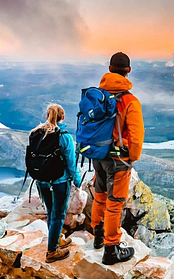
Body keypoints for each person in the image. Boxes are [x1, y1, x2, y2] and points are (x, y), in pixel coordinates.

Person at [90, 52, 145, 265]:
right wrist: (132, 157)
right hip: (118, 160)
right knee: (114, 204)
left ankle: (97, 236)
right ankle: (111, 250)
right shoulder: (130, 101)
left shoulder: (98, 96)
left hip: (98, 155)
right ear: (128, 71)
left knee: (100, 195)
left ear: (110, 68)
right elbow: (136, 135)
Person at [30, 104, 82, 263]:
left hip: (41, 181)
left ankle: (57, 239)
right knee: (58, 214)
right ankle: (52, 251)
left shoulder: (35, 133)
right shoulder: (64, 137)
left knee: (51, 211)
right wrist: (77, 181)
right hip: (59, 181)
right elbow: (71, 163)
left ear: (47, 116)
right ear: (63, 117)